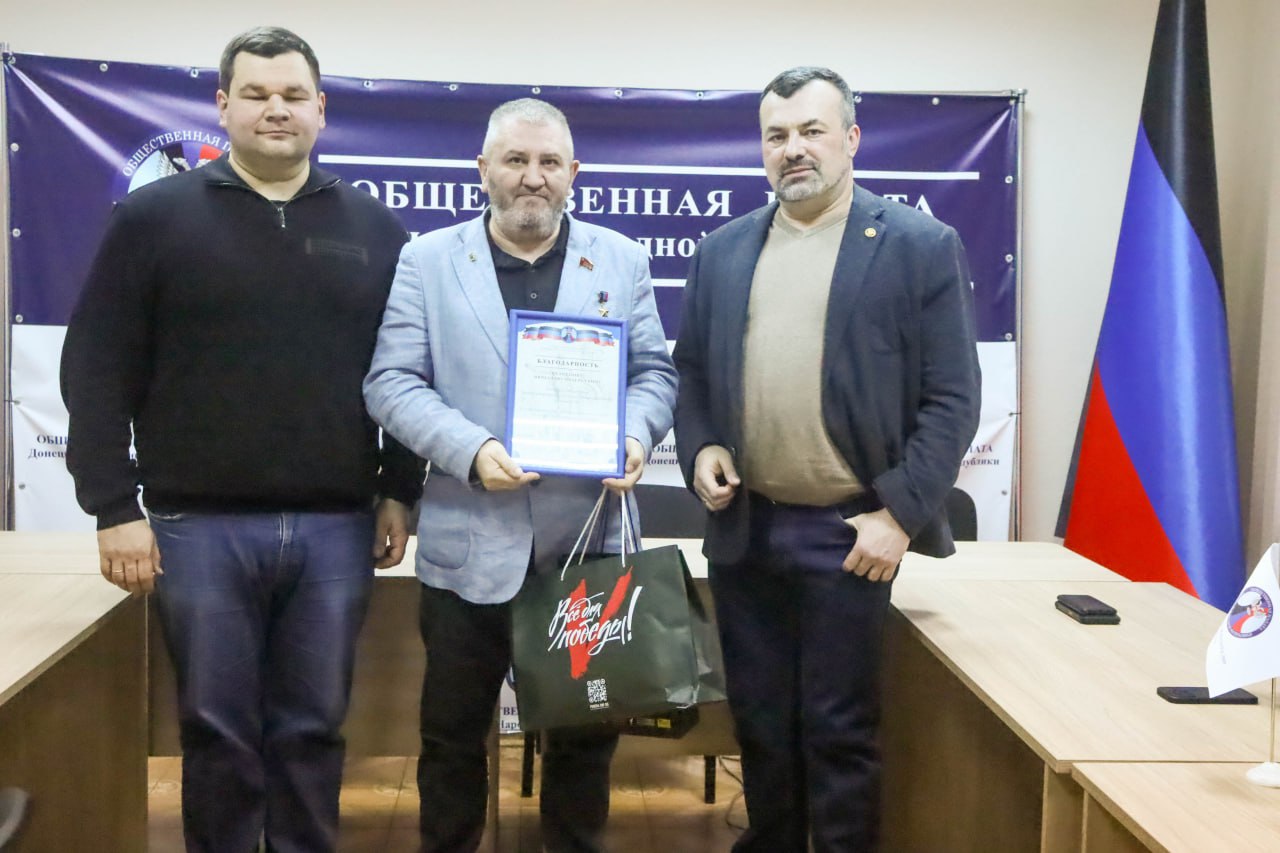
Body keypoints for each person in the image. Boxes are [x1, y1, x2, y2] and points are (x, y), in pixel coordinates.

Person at [60, 26, 423, 852]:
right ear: (222, 106)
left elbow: (405, 370)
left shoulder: (374, 228)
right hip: (196, 528)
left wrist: (401, 487)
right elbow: (97, 366)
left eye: (293, 95)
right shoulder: (153, 218)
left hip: (336, 527)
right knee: (216, 733)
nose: (275, 109)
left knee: (314, 729)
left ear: (321, 110)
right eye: (256, 94)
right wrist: (112, 505)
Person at [672, 66, 981, 852]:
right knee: (761, 724)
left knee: (839, 731)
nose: (793, 149)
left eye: (812, 131)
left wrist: (899, 514)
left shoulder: (918, 246)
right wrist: (703, 446)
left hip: (852, 535)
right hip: (747, 530)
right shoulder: (722, 251)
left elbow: (952, 399)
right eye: (776, 135)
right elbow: (693, 376)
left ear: (851, 139)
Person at [363, 97, 677, 853]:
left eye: (548, 162)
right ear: (483, 170)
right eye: (515, 160)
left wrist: (633, 435)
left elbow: (654, 374)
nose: (532, 177)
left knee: (584, 742)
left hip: (588, 549)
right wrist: (470, 449)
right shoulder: (427, 260)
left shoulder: (621, 259)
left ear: (573, 172)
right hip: (469, 544)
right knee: (450, 740)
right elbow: (392, 381)